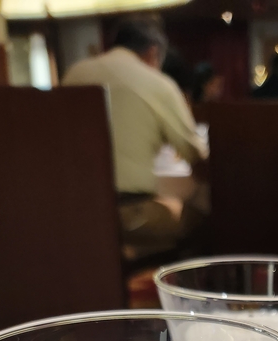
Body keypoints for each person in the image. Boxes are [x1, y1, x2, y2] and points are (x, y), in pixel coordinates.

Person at [63, 17, 208, 252]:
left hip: (73, 211)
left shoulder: (74, 73)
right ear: (153, 53)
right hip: (129, 214)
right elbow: (196, 157)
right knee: (200, 218)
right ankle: (172, 283)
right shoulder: (158, 84)